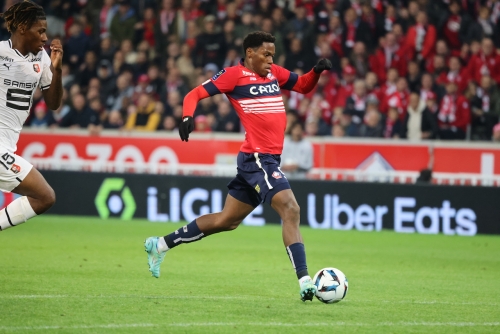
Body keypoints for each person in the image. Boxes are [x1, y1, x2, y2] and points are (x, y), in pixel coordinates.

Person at [144, 31, 332, 302]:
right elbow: (194, 94)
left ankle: (159, 245)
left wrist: (315, 72)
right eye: (266, 54)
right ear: (250, 53)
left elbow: (302, 85)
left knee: (226, 220)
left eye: (272, 55)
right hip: (258, 158)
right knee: (291, 208)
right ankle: (305, 280)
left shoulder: (274, 74)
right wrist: (187, 115)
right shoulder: (233, 75)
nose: (270, 59)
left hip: (262, 160)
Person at [0, 1, 62, 232]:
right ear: (23, 28)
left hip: (7, 145)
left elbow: (53, 103)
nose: (46, 38)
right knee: (45, 196)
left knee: (44, 197)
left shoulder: (42, 59)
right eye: (41, 31)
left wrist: (58, 70)